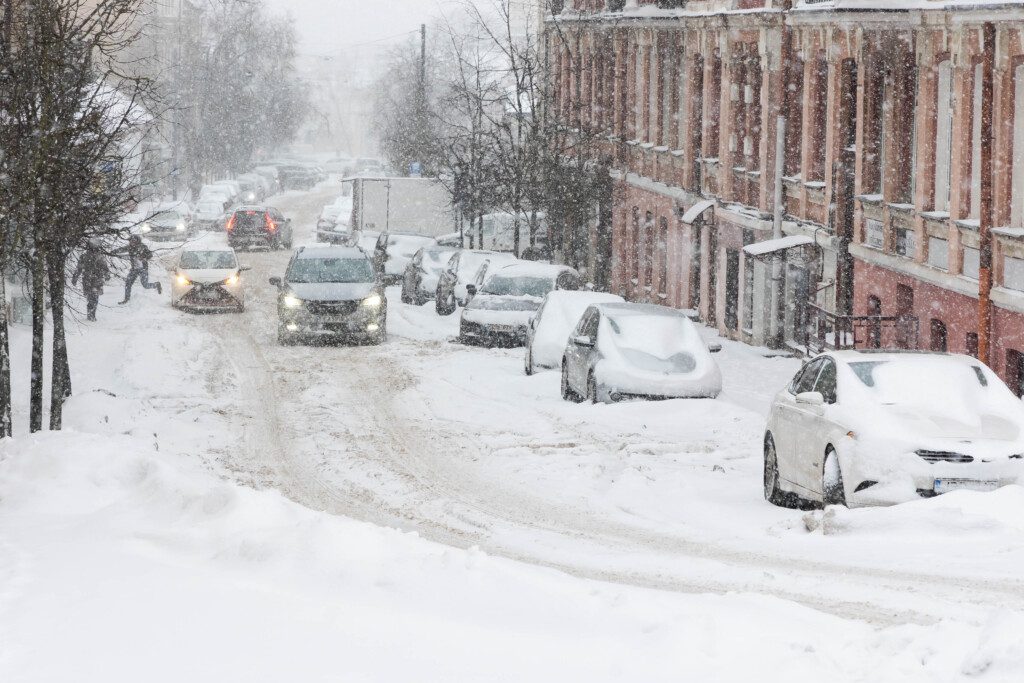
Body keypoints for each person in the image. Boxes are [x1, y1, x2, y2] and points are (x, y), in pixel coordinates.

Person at [72, 241, 110, 322]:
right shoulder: (85, 256)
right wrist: (75, 278)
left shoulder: (100, 257)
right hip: (88, 280)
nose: (94, 249)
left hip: (96, 280)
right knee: (91, 298)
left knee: (94, 298)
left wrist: (107, 275)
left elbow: (105, 268)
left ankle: (92, 314)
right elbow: (79, 268)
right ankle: (90, 315)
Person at [119, 235, 161, 304]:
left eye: (133, 241)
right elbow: (120, 249)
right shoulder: (129, 248)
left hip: (143, 269)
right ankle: (126, 299)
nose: (131, 243)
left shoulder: (143, 247)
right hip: (134, 269)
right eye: (130, 241)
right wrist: (110, 252)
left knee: (145, 285)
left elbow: (150, 255)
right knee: (128, 283)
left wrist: (144, 257)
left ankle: (156, 284)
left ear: (137, 241)